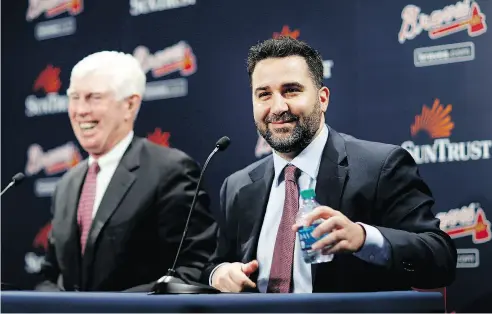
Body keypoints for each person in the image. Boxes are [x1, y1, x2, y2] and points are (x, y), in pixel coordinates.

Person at [202, 37, 457, 293]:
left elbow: (441, 259)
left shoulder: (381, 167)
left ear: (322, 99)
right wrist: (219, 274)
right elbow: (214, 263)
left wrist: (364, 239)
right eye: (264, 94)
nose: (278, 107)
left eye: (291, 90)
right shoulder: (238, 186)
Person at [35, 51, 217, 292]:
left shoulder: (171, 172)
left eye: (94, 97)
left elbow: (191, 271)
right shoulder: (67, 184)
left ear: (130, 105)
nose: (80, 110)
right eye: (74, 97)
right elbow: (50, 275)